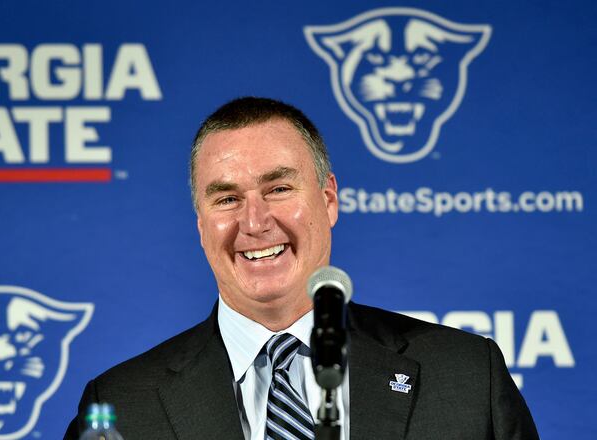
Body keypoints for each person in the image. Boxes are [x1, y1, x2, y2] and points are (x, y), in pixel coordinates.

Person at [63, 97, 539, 440]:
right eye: (227, 199)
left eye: (278, 189)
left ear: (328, 199)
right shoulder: (121, 406)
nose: (254, 222)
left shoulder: (468, 378)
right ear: (201, 224)